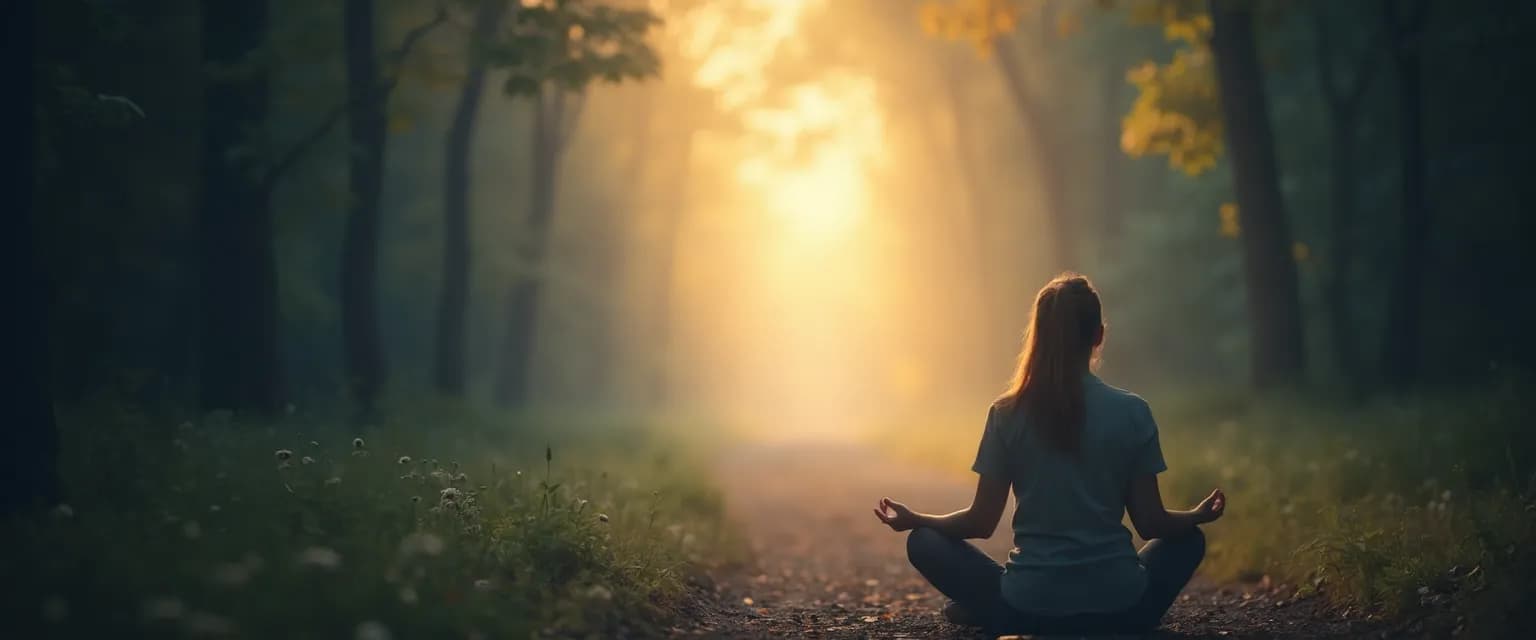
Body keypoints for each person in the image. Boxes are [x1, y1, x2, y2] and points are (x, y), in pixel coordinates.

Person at [873, 273, 1225, 636]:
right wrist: (1196, 515)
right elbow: (1152, 524)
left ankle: (991, 611)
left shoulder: (1006, 413)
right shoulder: (1133, 412)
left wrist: (917, 518)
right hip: (1122, 603)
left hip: (1029, 605)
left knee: (923, 541)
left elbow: (980, 522)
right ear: (1098, 335)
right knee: (1189, 538)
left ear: (1037, 337)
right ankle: (1124, 621)